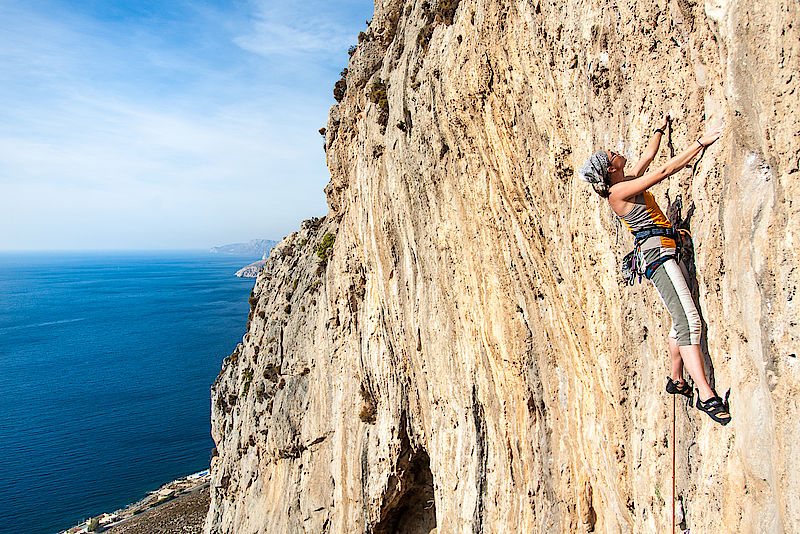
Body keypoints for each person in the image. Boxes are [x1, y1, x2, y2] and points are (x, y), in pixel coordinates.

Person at [579, 115, 730, 426]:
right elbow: (663, 171)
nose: (616, 151)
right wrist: (701, 143)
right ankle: (705, 393)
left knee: (681, 320)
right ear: (610, 168)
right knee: (689, 322)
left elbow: (650, 157)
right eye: (611, 153)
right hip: (658, 256)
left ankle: (676, 379)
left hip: (665, 250)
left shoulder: (626, 180)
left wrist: (660, 130)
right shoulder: (617, 194)